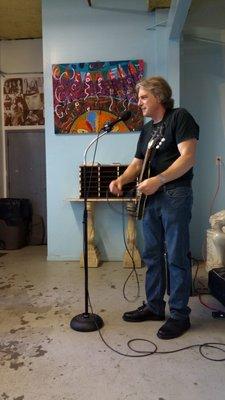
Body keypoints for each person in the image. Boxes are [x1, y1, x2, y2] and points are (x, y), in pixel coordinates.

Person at [109, 76, 199, 339]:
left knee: (176, 255)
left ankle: (180, 315)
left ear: (159, 96)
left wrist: (158, 180)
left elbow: (188, 157)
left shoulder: (180, 117)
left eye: (143, 97)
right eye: (139, 98)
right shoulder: (147, 130)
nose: (139, 103)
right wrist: (122, 179)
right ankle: (155, 306)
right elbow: (138, 163)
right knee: (150, 254)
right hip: (150, 197)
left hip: (175, 193)